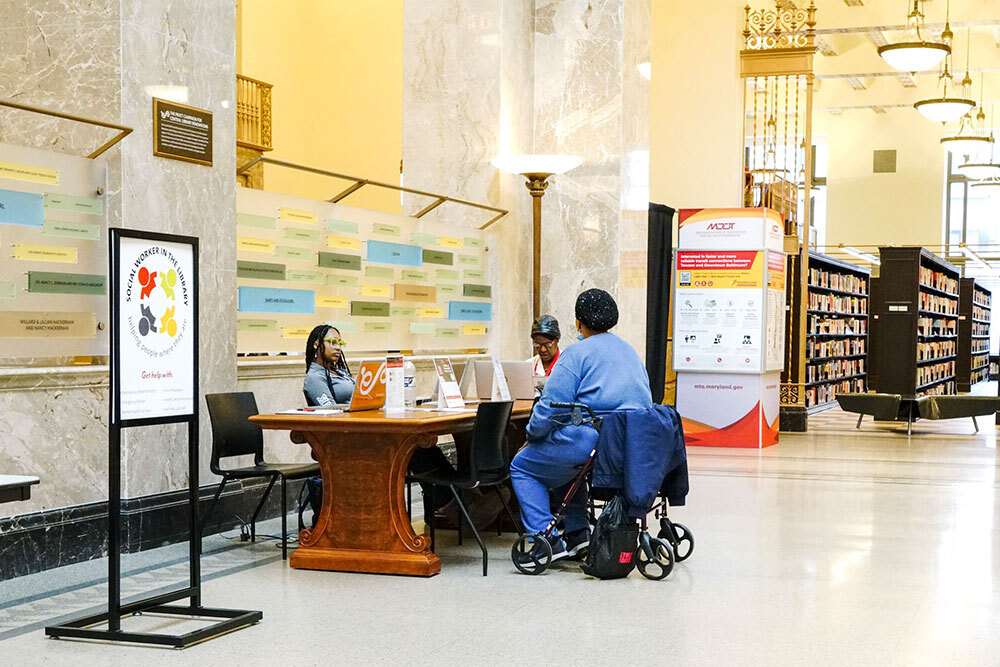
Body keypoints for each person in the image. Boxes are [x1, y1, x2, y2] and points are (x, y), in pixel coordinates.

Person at [510, 288, 653, 564]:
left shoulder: (576, 354)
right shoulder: (629, 351)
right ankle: (578, 536)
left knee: (523, 466)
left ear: (578, 323)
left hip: (591, 439)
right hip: (627, 443)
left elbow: (552, 407)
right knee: (568, 469)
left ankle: (546, 540)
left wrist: (532, 435)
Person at [301, 324, 456, 527]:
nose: (338, 347)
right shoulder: (314, 378)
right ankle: (454, 506)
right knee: (414, 451)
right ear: (316, 344)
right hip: (346, 443)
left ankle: (455, 503)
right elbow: (332, 414)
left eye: (340, 343)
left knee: (423, 449)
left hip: (366, 433)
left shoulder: (340, 373)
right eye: (332, 342)